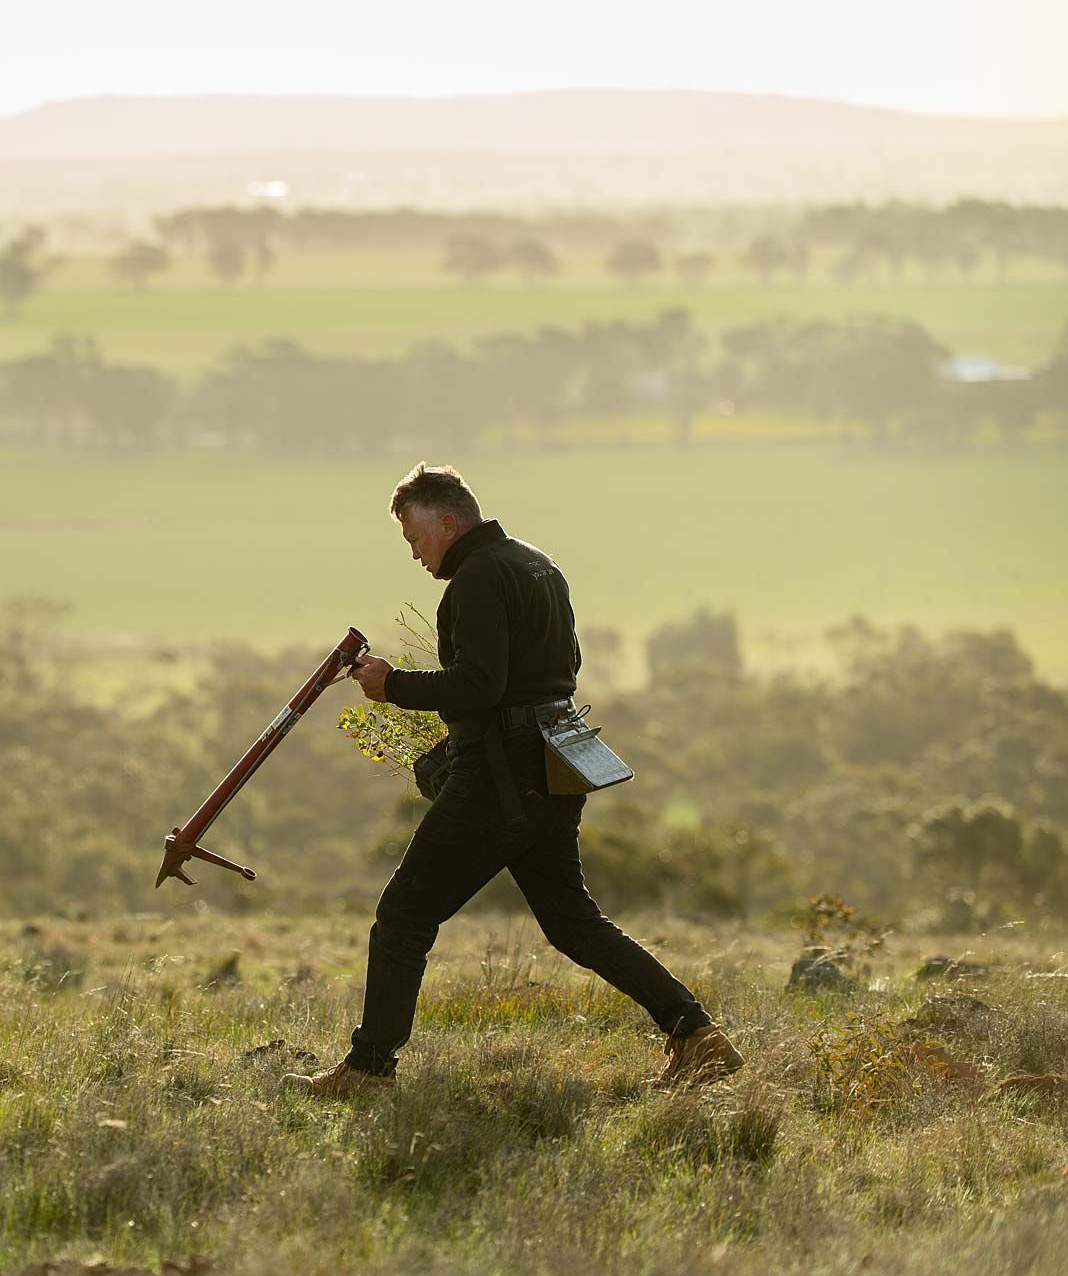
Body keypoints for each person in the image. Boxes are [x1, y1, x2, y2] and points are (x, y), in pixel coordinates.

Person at [283, 463, 743, 1097]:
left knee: (404, 915)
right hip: (556, 762)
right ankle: (698, 1036)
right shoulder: (539, 566)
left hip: (500, 775)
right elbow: (563, 667)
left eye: (417, 539)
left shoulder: (474, 581)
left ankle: (367, 1073)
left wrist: (393, 686)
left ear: (449, 520)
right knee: (573, 921)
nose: (416, 555)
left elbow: (480, 686)